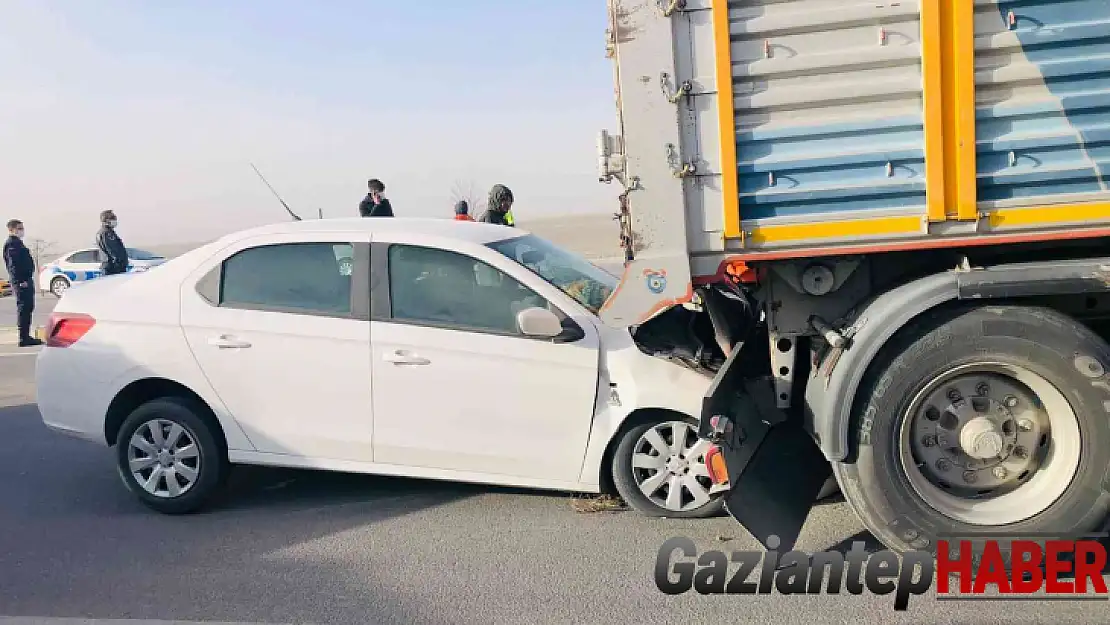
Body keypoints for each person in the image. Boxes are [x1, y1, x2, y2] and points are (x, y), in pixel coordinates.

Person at [3, 219, 42, 347]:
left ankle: (26, 335)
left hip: (26, 280)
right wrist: (21, 281)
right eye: (19, 228)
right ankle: (23, 337)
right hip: (22, 282)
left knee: (28, 307)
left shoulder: (18, 243)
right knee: (24, 308)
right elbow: (13, 265)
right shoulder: (12, 244)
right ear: (12, 230)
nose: (22, 231)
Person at [96, 210, 129, 276]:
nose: (115, 220)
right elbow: (113, 250)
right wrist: (120, 263)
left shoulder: (103, 232)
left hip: (109, 266)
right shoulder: (107, 233)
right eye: (112, 218)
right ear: (106, 220)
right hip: (113, 268)